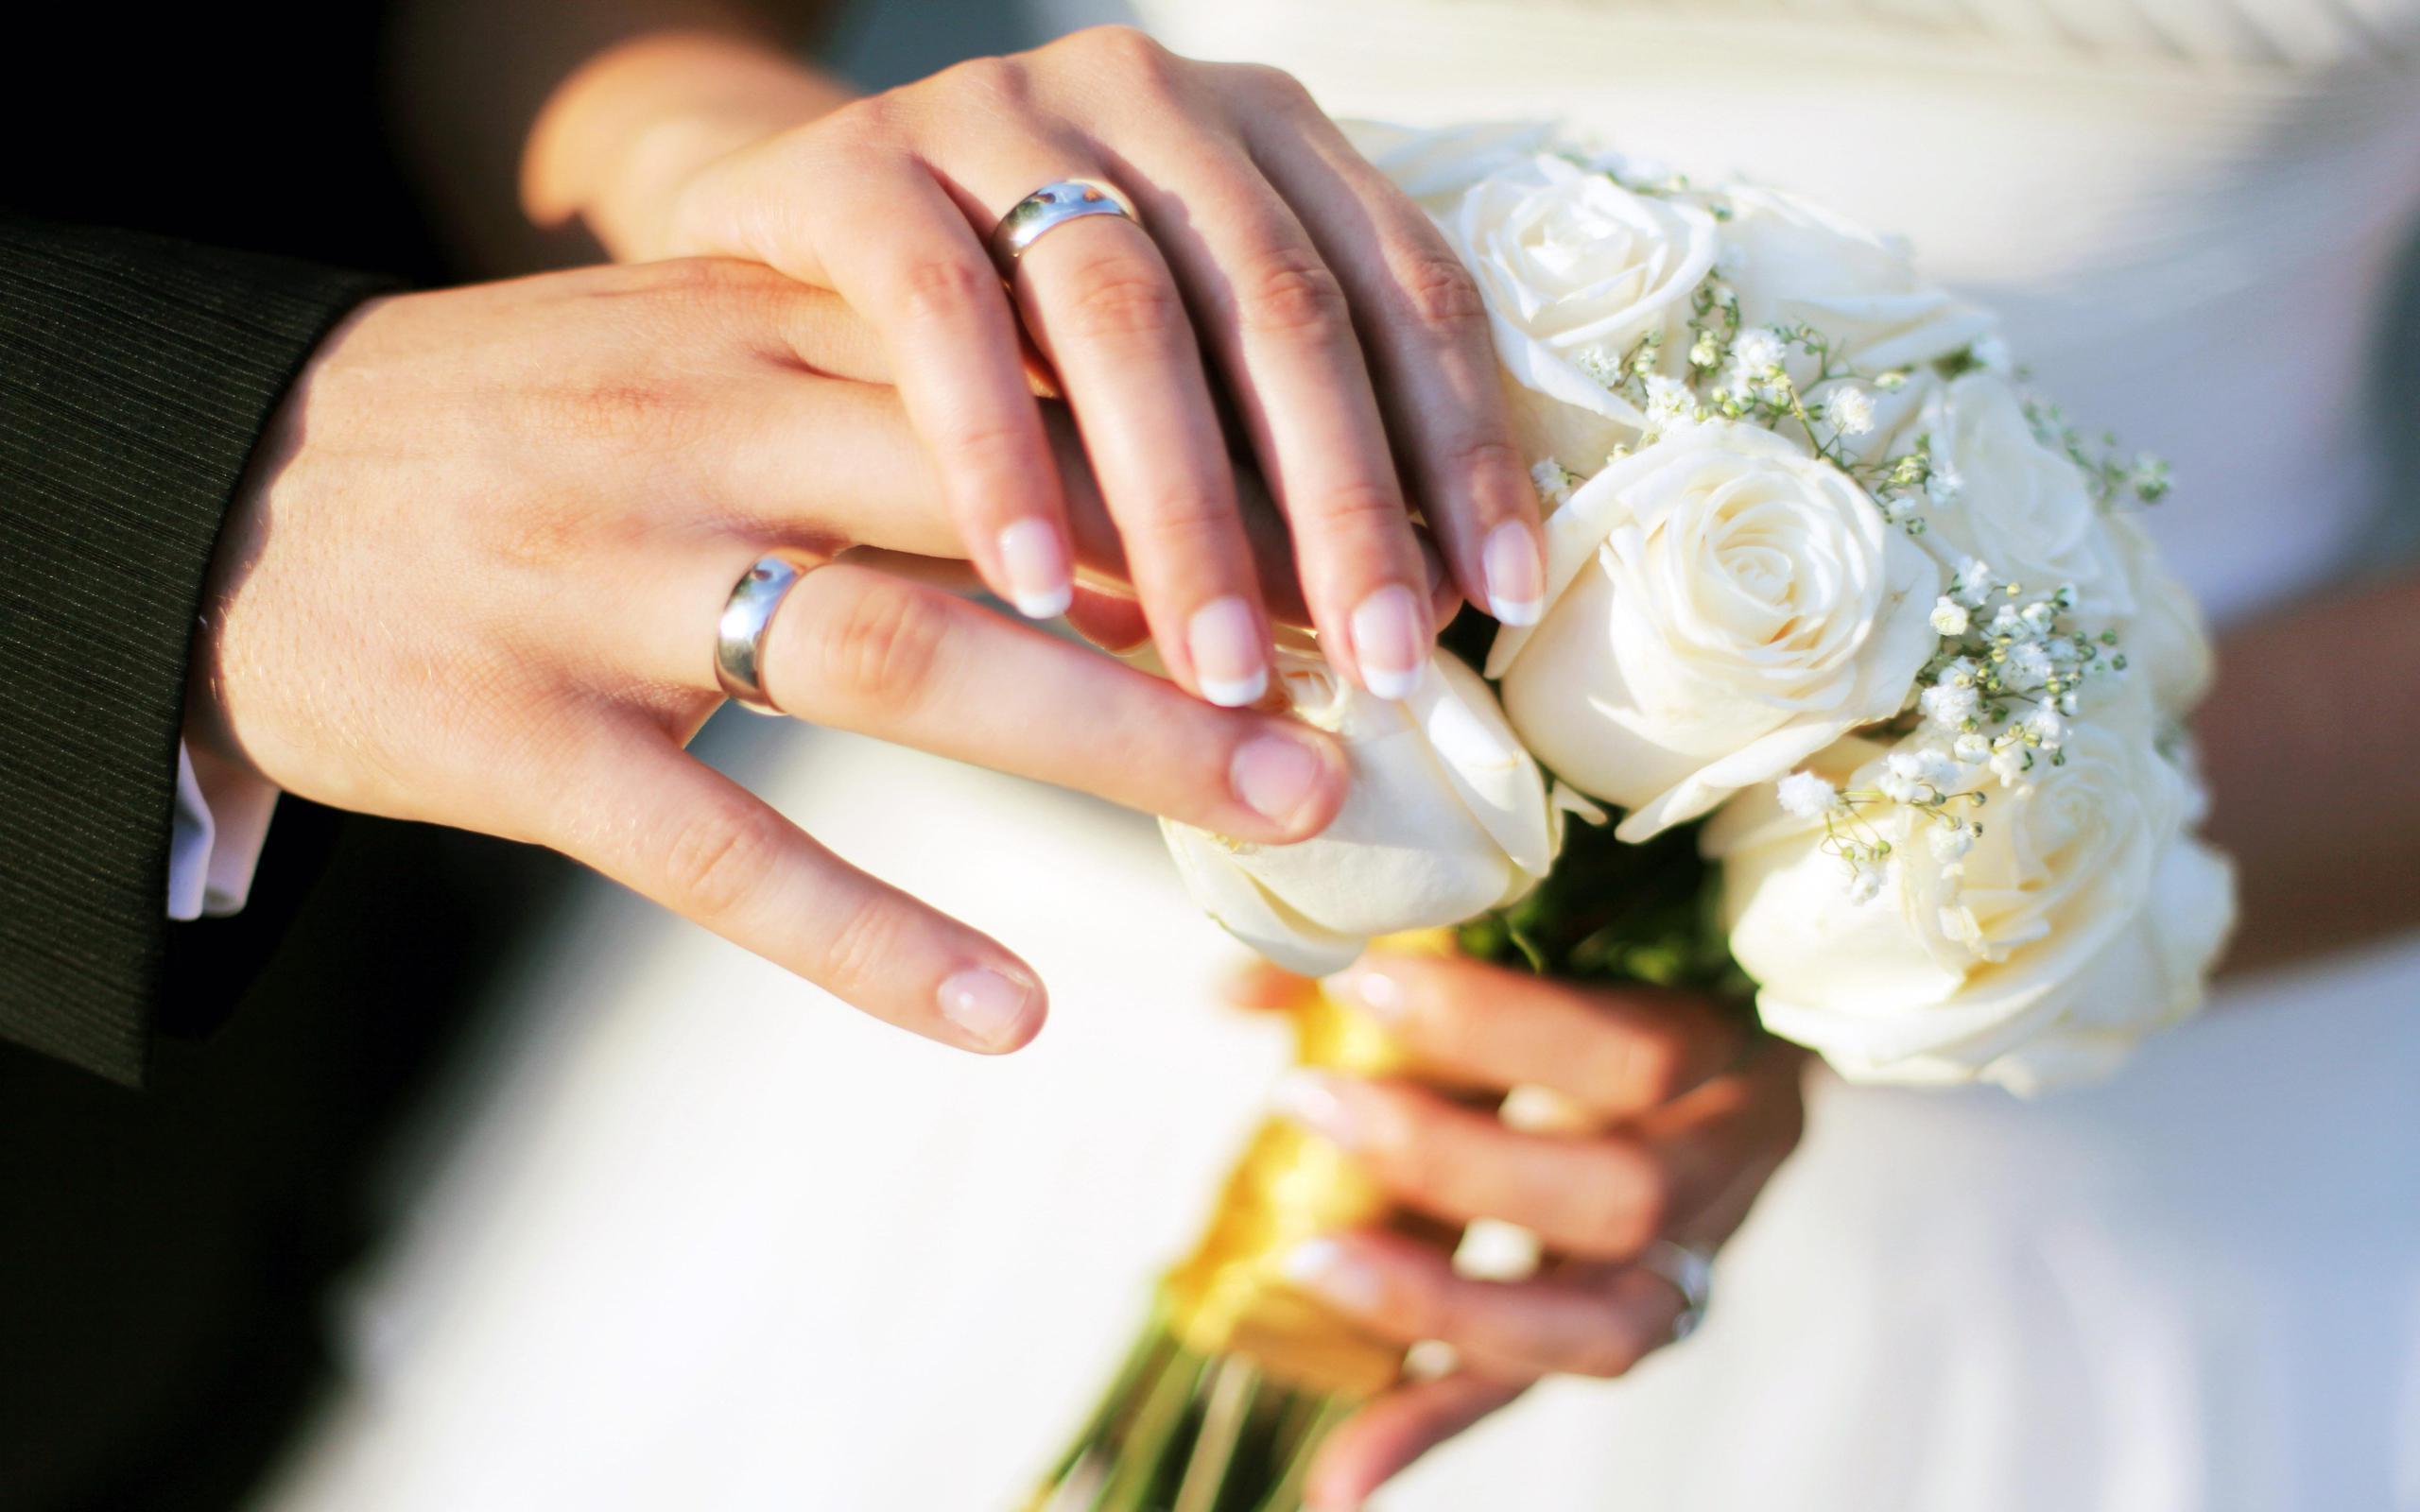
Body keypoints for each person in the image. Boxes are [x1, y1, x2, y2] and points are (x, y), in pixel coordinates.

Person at [251, 4, 2420, 1512]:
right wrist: (760, 190)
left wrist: (1919, 864)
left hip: (2158, 1003)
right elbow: (554, 25)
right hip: (980, 921)